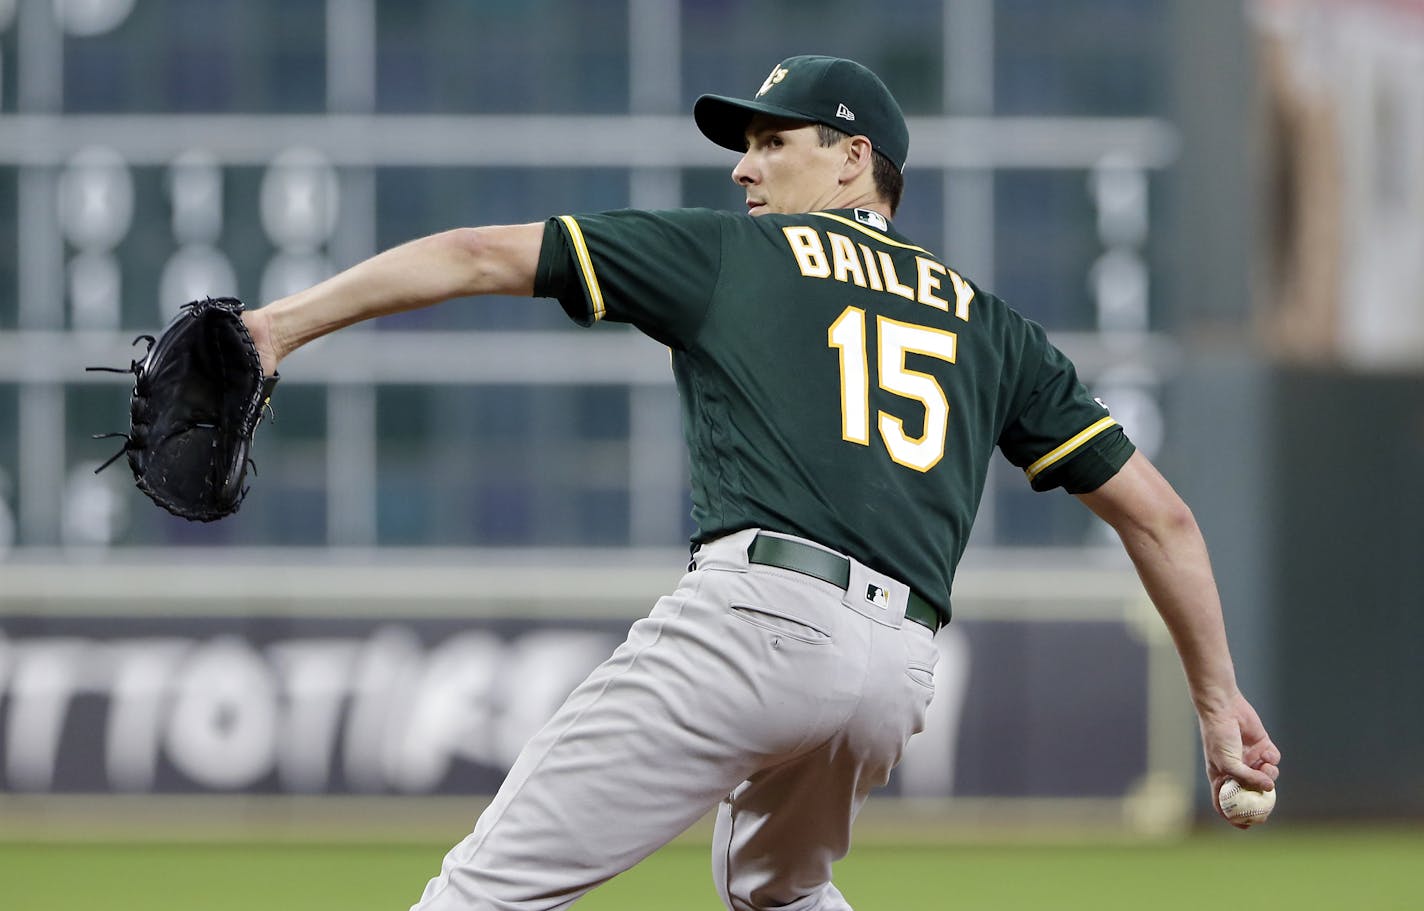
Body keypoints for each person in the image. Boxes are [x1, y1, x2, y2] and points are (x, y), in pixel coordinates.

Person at [242, 55, 1280, 911]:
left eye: (772, 141)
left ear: (852, 160)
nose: (744, 170)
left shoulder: (732, 258)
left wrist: (277, 325)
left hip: (756, 617)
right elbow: (1161, 515)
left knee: (480, 892)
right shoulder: (988, 322)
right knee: (778, 890)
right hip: (895, 673)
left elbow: (475, 253)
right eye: (746, 144)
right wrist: (1216, 696)